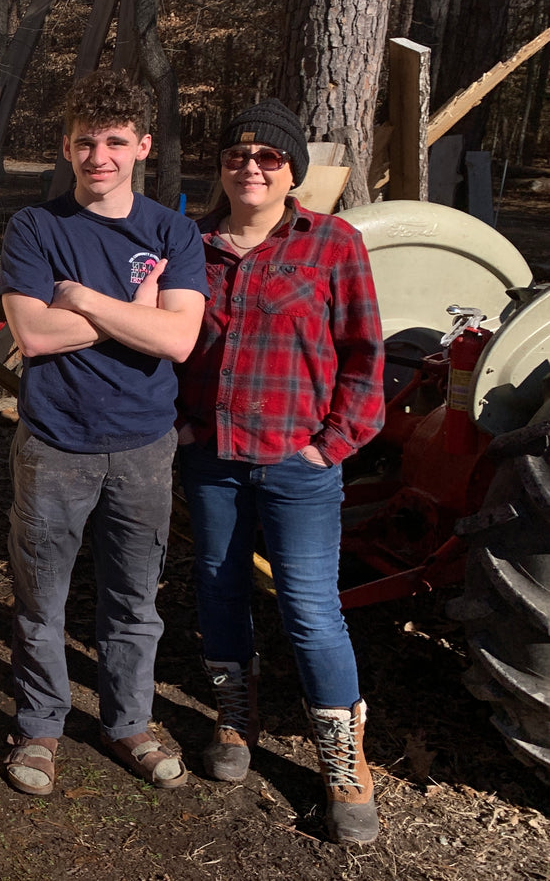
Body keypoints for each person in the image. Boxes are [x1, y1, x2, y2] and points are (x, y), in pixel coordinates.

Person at [175, 99, 384, 843]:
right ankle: (236, 714)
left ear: (291, 170)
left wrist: (329, 446)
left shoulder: (331, 243)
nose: (252, 167)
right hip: (214, 460)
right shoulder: (191, 245)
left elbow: (363, 355)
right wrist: (183, 425)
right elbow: (167, 343)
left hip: (298, 465)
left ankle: (341, 755)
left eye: (269, 157)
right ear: (222, 167)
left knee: (309, 609)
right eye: (238, 155)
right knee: (217, 588)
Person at [0, 70, 208, 795]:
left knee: (131, 600)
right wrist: (133, 312)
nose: (100, 156)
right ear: (66, 147)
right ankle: (39, 727)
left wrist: (84, 298)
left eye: (115, 141)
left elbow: (177, 341)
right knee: (41, 599)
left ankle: (126, 724)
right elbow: (31, 333)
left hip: (143, 447)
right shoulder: (35, 227)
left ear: (142, 146)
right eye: (85, 142)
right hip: (54, 442)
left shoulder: (171, 230)